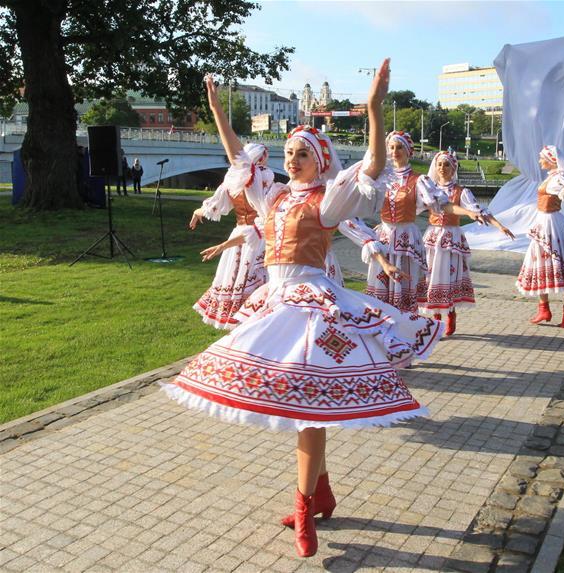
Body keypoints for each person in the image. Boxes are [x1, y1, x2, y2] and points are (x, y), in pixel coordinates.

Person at [163, 61, 443, 559]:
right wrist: (216, 111)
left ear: (320, 161)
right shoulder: (271, 197)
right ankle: (321, 492)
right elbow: (236, 159)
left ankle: (304, 507)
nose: (292, 160)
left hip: (313, 303)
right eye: (288, 152)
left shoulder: (327, 200)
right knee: (300, 405)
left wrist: (375, 108)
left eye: (302, 154)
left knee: (310, 408)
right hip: (274, 301)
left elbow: (373, 167)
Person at [365, 130, 482, 312]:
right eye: (392, 147)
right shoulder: (382, 177)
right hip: (385, 236)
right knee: (381, 284)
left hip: (406, 237)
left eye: (400, 147)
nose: (395, 151)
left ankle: (406, 327)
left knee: (404, 285)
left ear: (408, 151)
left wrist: (469, 212)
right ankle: (382, 328)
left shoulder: (419, 180)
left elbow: (443, 205)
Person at [420, 151, 514, 336]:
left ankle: (451, 312)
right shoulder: (429, 190)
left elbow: (478, 210)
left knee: (448, 276)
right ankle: (437, 318)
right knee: (431, 277)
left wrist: (499, 226)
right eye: (439, 164)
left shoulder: (461, 192)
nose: (442, 168)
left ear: (453, 168)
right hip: (432, 237)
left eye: (446, 165)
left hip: (451, 238)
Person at [189, 143, 271, 329]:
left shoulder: (232, 180)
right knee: (260, 281)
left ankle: (243, 321)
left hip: (239, 231)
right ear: (261, 157)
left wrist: (198, 211)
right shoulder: (264, 176)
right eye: (265, 156)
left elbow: (216, 206)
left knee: (238, 280)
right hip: (258, 234)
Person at [517, 145, 564, 327]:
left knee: (541, 261)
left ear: (551, 160)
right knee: (561, 262)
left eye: (542, 158)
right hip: (552, 223)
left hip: (548, 224)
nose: (540, 161)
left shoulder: (556, 179)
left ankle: (545, 309)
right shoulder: (554, 177)